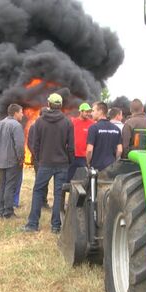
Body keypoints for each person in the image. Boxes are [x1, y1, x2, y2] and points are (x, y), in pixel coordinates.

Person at [22, 93, 74, 233]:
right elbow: (71, 146)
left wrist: (39, 158)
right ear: (60, 105)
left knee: (38, 191)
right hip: (62, 164)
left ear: (49, 104)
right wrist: (70, 161)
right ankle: (56, 227)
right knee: (58, 195)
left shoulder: (39, 122)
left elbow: (35, 144)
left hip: (45, 163)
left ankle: (33, 224)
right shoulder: (67, 122)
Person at [0, 104, 25, 219]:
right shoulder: (16, 126)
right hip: (12, 161)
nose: (23, 114)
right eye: (21, 112)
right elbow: (20, 145)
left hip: (1, 160)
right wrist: (21, 158)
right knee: (10, 185)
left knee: (2, 184)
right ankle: (8, 212)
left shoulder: (0, 123)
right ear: (15, 113)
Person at [86, 102, 122, 171]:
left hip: (96, 168)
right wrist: (115, 161)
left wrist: (88, 163)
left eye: (93, 111)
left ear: (100, 111)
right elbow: (119, 150)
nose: (91, 113)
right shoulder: (116, 129)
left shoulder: (93, 128)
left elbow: (89, 150)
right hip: (111, 167)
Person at [24, 113, 49, 209]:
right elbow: (30, 143)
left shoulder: (45, 126)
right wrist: (37, 156)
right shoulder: (34, 127)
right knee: (40, 181)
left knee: (44, 180)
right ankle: (39, 202)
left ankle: (43, 201)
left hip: (43, 158)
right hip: (38, 159)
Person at [67, 102, 94, 181]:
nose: (88, 113)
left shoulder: (92, 124)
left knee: (84, 179)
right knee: (68, 179)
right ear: (81, 111)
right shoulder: (73, 122)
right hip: (73, 156)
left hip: (84, 157)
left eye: (89, 111)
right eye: (86, 111)